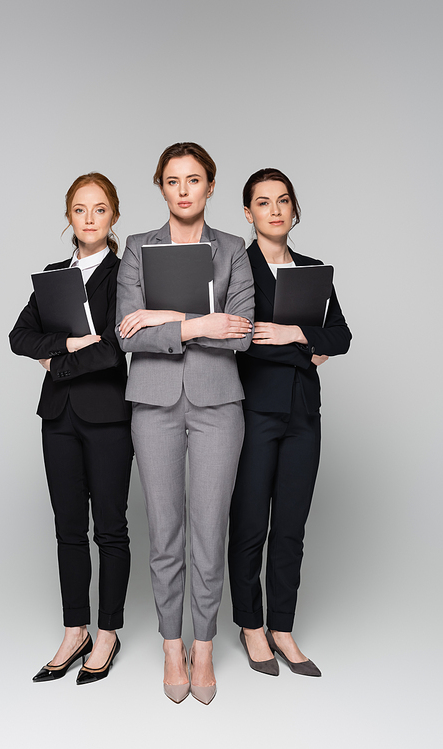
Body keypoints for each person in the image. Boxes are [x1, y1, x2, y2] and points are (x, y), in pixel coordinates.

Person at [116, 142, 254, 703]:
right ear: (161, 187)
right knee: (165, 531)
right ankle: (171, 643)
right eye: (172, 181)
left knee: (208, 530)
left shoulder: (232, 248)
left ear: (210, 186)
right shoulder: (136, 248)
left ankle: (204, 645)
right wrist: (203, 322)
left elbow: (242, 332)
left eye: (193, 179)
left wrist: (169, 317)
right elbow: (130, 329)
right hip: (153, 401)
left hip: (220, 402)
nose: (183, 189)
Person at [9, 173, 132, 685]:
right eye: (79, 210)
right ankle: (74, 630)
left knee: (110, 529)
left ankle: (107, 633)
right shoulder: (53, 276)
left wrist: (57, 356)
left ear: (113, 217)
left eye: (99, 210)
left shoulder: (127, 276)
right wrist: (69, 343)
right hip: (57, 418)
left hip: (107, 418)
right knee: (67, 530)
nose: (88, 218)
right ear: (68, 218)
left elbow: (113, 348)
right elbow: (20, 336)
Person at [228, 168, 351, 677]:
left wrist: (292, 334)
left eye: (283, 201)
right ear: (248, 213)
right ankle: (250, 625)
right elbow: (238, 341)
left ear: (294, 209)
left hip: (303, 414)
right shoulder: (237, 269)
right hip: (253, 412)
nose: (275, 210)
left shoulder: (313, 270)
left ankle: (283, 626)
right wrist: (304, 343)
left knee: (292, 528)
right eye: (263, 202)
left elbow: (340, 336)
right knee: (251, 523)